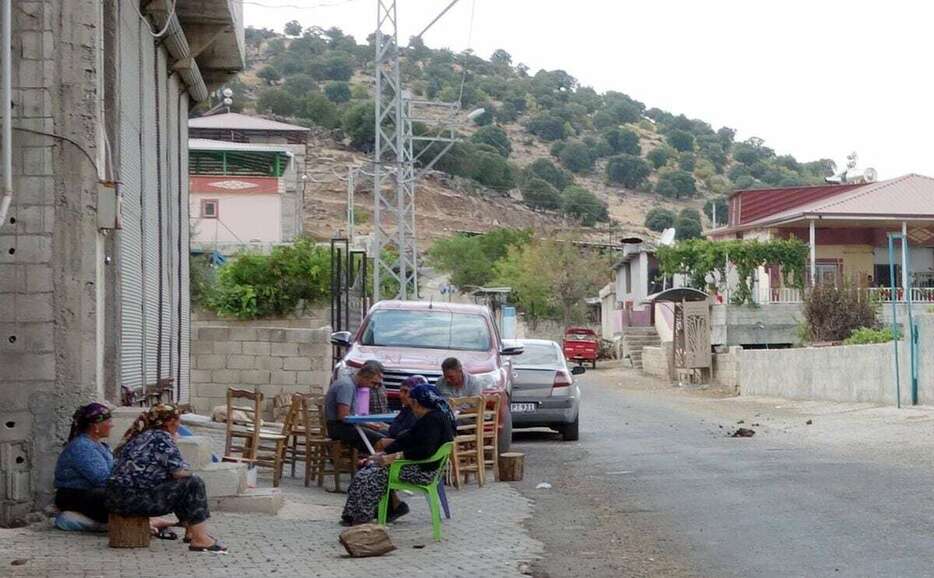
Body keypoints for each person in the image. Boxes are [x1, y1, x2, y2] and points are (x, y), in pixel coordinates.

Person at [107, 404, 227, 552]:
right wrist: (191, 471)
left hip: (116, 498)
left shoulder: (141, 436)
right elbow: (178, 472)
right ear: (171, 422)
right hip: (133, 501)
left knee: (177, 485)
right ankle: (200, 539)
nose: (180, 424)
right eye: (179, 420)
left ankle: (191, 531)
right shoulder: (161, 438)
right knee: (193, 483)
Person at [341, 383, 455, 526]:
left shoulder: (434, 420)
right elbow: (406, 439)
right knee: (367, 469)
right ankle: (362, 513)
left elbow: (425, 450)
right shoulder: (427, 418)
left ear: (417, 403)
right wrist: (384, 453)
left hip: (424, 470)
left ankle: (362, 517)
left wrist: (394, 457)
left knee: (372, 475)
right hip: (417, 465)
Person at [53, 403, 114, 528]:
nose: (112, 425)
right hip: (74, 496)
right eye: (108, 421)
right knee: (116, 497)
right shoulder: (82, 446)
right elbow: (101, 479)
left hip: (89, 493)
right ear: (96, 425)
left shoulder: (99, 445)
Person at [325, 360, 386, 452]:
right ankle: (375, 462)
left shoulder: (351, 384)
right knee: (382, 440)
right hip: (339, 428)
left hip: (345, 426)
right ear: (364, 377)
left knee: (385, 433)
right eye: (373, 383)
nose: (373, 387)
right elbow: (343, 416)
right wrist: (367, 424)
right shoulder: (346, 386)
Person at [375, 375, 425, 451]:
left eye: (406, 391)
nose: (401, 395)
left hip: (408, 446)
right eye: (401, 391)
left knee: (379, 441)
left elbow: (399, 432)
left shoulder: (418, 412)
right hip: (397, 438)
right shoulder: (406, 409)